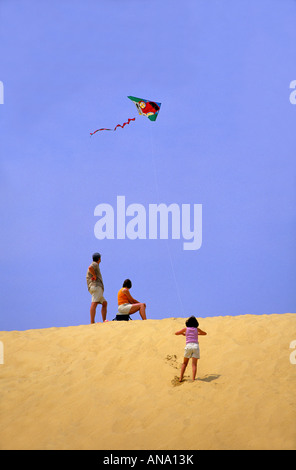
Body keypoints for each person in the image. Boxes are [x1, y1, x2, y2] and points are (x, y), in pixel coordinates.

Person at [175, 316, 207, 382]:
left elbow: (176, 333)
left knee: (184, 363)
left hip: (188, 346)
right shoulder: (197, 329)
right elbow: (205, 333)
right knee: (194, 364)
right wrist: (197, 334)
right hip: (196, 346)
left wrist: (183, 334)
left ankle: (180, 378)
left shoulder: (186, 329)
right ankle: (193, 379)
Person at [86, 252, 107, 323]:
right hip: (96, 286)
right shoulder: (95, 264)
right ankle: (92, 322)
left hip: (97, 288)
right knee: (94, 303)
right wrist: (94, 275)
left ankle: (104, 320)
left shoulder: (96, 264)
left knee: (104, 303)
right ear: (99, 259)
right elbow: (90, 267)